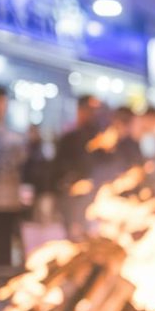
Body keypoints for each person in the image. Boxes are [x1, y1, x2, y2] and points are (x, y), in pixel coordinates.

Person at [54, 95, 103, 240]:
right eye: (89, 109)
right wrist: (69, 182)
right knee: (73, 235)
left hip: (93, 195)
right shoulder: (70, 137)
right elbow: (58, 166)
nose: (93, 114)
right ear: (80, 110)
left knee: (91, 236)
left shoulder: (100, 137)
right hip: (73, 196)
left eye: (95, 110)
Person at [0, 85, 27, 268]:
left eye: (2, 103)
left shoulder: (12, 138)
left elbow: (22, 165)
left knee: (4, 247)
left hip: (5, 200)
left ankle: (0, 286)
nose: (0, 107)